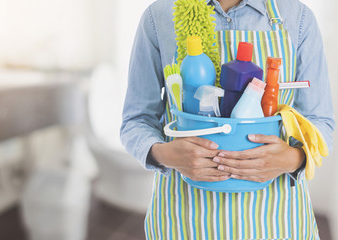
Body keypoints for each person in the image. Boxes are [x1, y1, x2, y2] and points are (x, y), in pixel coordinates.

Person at [120, 0, 335, 239]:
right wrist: (165, 154)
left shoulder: (298, 17)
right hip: (186, 219)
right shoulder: (159, 16)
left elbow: (320, 121)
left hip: (275, 219)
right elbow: (136, 119)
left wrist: (292, 158)